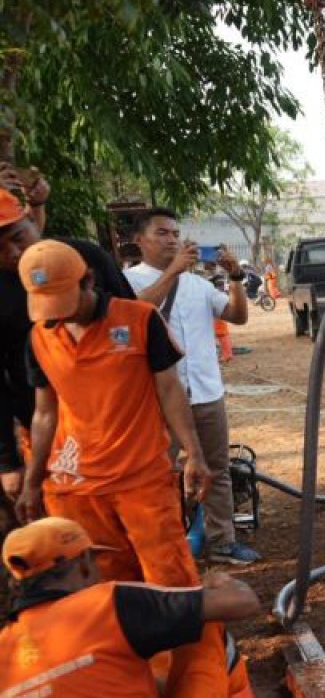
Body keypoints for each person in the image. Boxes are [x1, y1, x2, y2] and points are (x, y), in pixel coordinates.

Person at [15, 239, 230, 695]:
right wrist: (33, 483)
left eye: (62, 301)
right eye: (45, 306)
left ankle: (198, 683)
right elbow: (44, 413)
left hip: (140, 482)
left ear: (89, 280)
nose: (56, 315)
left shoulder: (138, 321)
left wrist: (193, 453)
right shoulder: (40, 336)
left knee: (172, 588)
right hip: (73, 490)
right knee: (101, 595)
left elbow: (170, 391)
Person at [125, 209, 258, 565]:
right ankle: (163, 546)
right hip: (157, 399)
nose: (172, 240)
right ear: (139, 240)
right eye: (162, 233)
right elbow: (135, 312)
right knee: (159, 473)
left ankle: (222, 540)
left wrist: (234, 277)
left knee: (216, 468)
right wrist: (172, 272)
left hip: (205, 393)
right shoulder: (129, 282)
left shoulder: (198, 285)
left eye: (175, 233)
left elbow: (237, 316)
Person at [1, 517, 259, 697]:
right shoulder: (105, 604)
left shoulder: (5, 647)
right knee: (204, 627)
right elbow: (242, 603)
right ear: (83, 564)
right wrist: (219, 580)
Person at [0, 188, 135, 507]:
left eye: (18, 236)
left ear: (32, 219)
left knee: (136, 518)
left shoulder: (86, 257)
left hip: (119, 422)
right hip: (48, 428)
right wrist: (8, 461)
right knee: (69, 524)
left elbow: (134, 322)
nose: (13, 252)